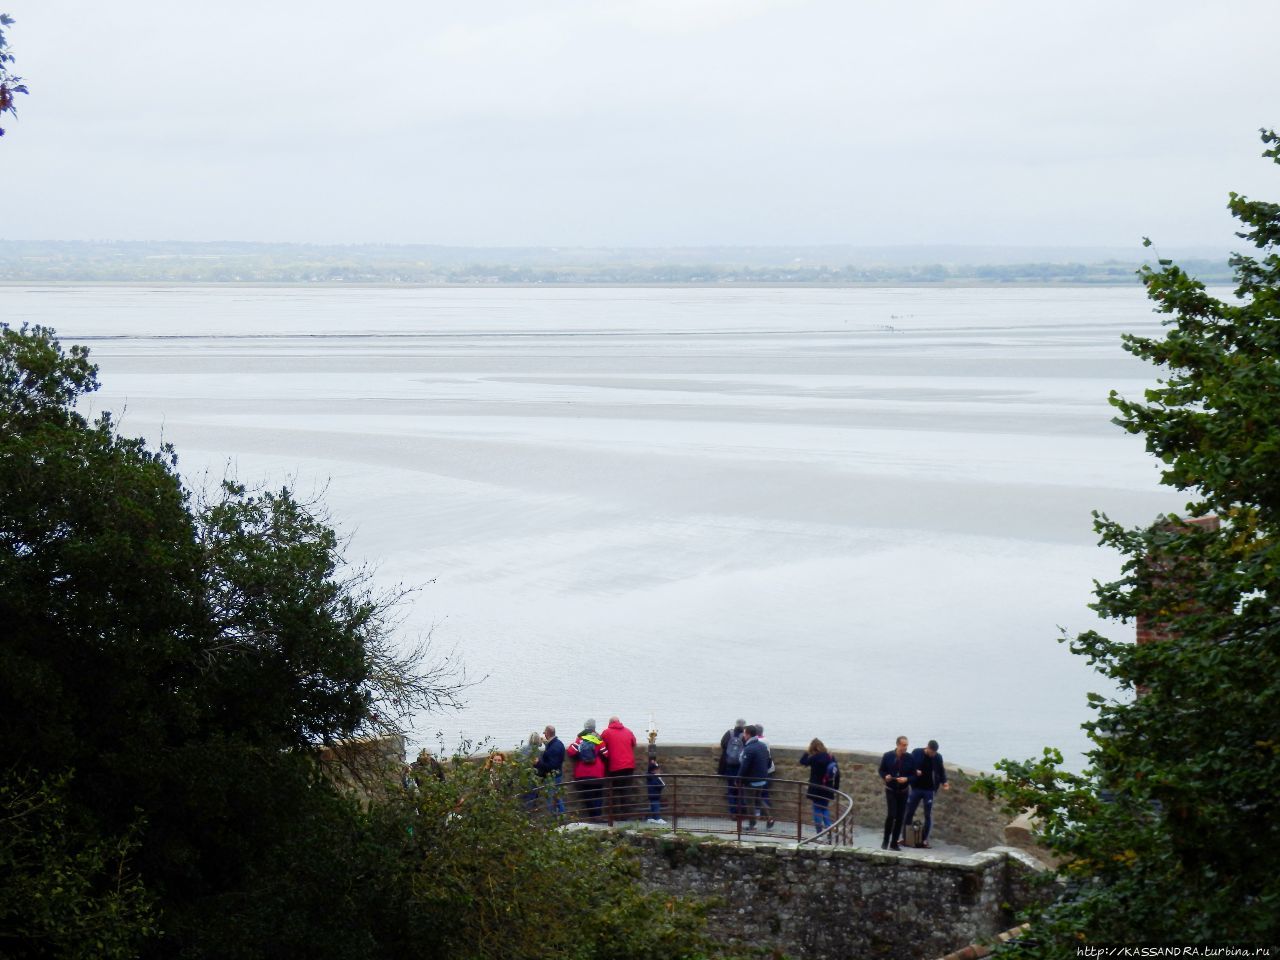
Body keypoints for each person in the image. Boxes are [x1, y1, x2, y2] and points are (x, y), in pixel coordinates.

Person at [905, 738, 950, 848]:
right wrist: (915, 771)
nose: (932, 754)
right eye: (931, 752)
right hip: (916, 788)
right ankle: (906, 837)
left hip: (929, 790)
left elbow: (941, 771)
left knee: (927, 815)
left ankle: (924, 839)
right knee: (909, 812)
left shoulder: (938, 757)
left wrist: (945, 782)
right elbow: (908, 766)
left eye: (934, 753)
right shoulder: (916, 753)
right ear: (927, 748)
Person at [567, 719, 608, 820]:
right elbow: (606, 754)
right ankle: (597, 816)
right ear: (594, 728)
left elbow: (571, 751)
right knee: (598, 795)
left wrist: (580, 756)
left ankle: (592, 816)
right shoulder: (598, 739)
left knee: (588, 796)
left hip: (582, 774)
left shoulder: (580, 739)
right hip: (597, 774)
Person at [879, 735, 913, 850]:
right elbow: (881, 770)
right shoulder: (888, 756)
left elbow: (914, 775)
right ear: (898, 745)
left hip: (903, 791)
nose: (905, 747)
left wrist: (907, 779)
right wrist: (886, 776)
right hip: (891, 790)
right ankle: (885, 841)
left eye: (907, 745)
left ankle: (894, 843)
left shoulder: (909, 758)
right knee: (891, 815)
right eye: (904, 745)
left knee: (900, 817)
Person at [600, 715, 638, 819]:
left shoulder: (606, 732)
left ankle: (615, 814)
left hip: (615, 766)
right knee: (626, 790)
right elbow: (634, 743)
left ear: (610, 723)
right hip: (629, 765)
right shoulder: (628, 731)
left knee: (614, 790)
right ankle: (626, 814)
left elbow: (601, 746)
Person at [799, 738, 837, 836]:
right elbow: (837, 772)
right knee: (824, 808)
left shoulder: (814, 758)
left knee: (816, 809)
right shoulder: (830, 757)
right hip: (827, 787)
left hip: (816, 788)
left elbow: (803, 762)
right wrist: (835, 787)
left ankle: (819, 832)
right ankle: (829, 827)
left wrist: (807, 752)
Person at [737, 724, 771, 831]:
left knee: (750, 802)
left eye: (744, 733)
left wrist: (738, 779)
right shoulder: (762, 746)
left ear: (748, 734)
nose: (743, 735)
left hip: (751, 780)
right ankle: (770, 818)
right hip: (762, 779)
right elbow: (768, 761)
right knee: (758, 799)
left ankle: (753, 825)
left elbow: (744, 767)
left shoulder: (749, 749)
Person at [534, 724, 566, 815]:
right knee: (557, 798)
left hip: (552, 777)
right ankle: (561, 817)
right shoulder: (558, 743)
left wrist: (538, 763)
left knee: (551, 799)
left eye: (545, 733)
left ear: (547, 733)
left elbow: (552, 765)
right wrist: (546, 743)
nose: (544, 735)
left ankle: (555, 820)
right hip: (557, 775)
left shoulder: (554, 747)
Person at [718, 718, 746, 815]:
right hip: (740, 766)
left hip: (728, 765)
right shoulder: (744, 736)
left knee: (730, 789)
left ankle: (733, 812)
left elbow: (723, 744)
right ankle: (741, 812)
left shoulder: (729, 733)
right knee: (740, 789)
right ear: (744, 726)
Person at [755, 722, 776, 828]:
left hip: (759, 772)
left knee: (757, 795)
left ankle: (763, 816)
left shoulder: (757, 742)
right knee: (764, 794)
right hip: (769, 770)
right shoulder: (766, 740)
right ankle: (767, 816)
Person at [645, 758, 667, 824]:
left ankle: (653, 817)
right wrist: (660, 778)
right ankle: (657, 818)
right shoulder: (654, 777)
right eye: (657, 769)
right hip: (655, 794)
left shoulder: (651, 776)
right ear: (653, 770)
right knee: (656, 806)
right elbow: (661, 785)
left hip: (652, 793)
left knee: (653, 806)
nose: (659, 770)